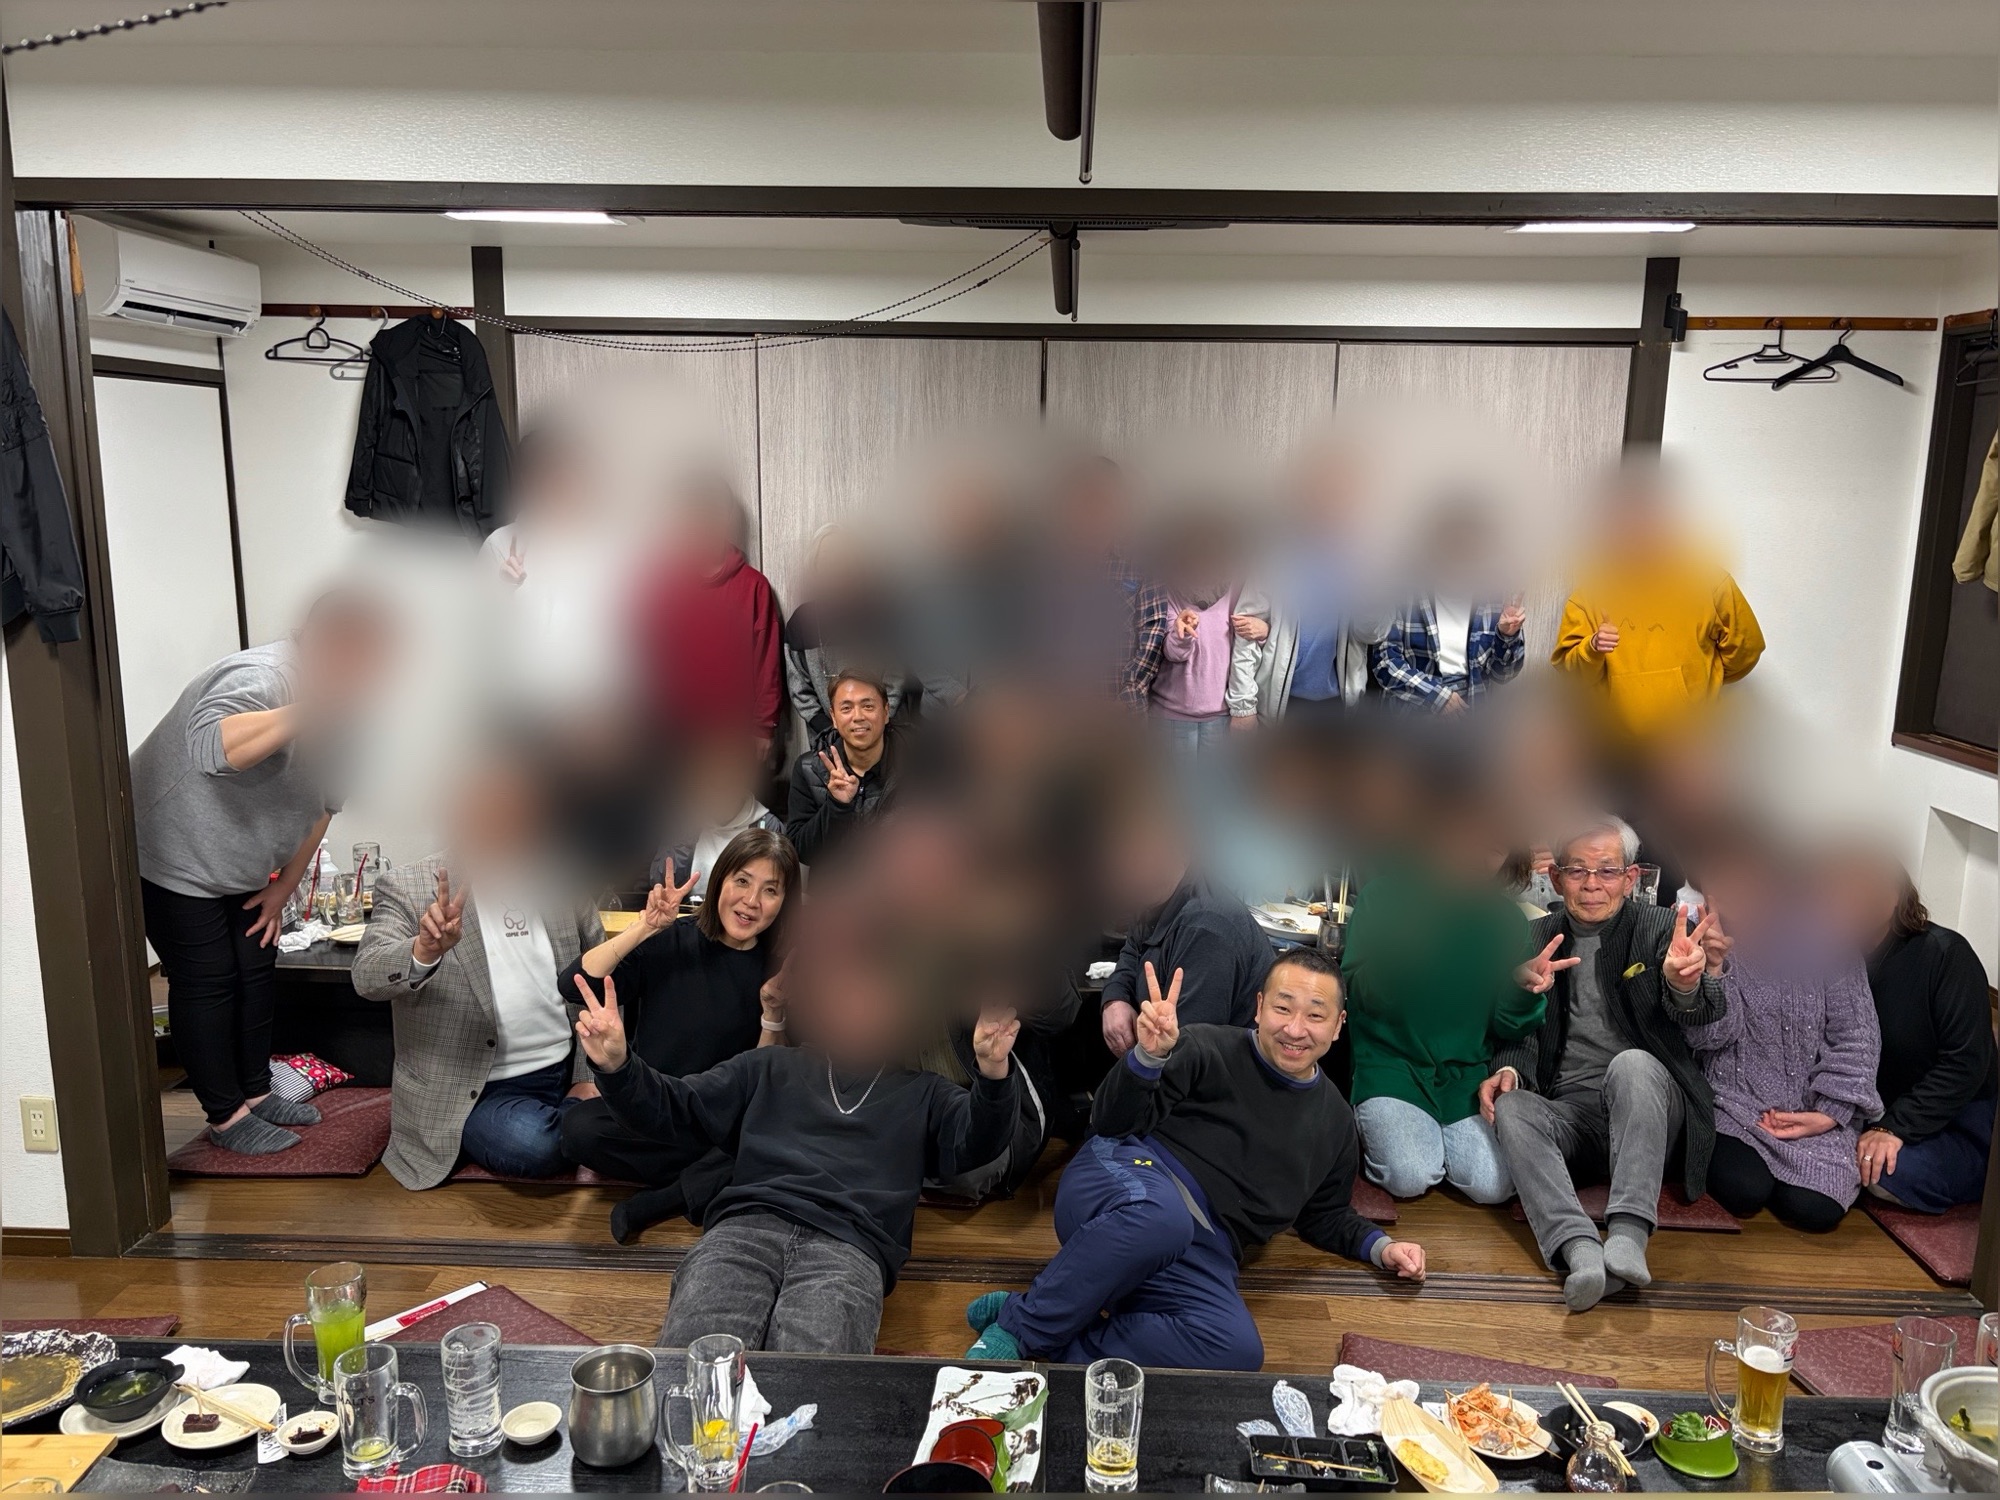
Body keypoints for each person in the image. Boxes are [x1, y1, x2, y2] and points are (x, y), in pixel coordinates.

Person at [963, 953, 1426, 1370]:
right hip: (1126, 1177)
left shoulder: (1336, 1120)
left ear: (1339, 1025)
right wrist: (1147, 1057)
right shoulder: (1206, 1047)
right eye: (1283, 1008)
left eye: (1315, 1015)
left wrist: (1381, 1248)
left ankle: (1052, 1316)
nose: (1295, 1028)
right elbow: (1109, 1122)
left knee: (1236, 1348)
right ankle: (1021, 1329)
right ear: (1259, 1007)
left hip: (1206, 1248)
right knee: (1161, 1218)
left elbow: (1324, 1215)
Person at [569, 958, 1021, 1355]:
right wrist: (618, 1066)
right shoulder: (769, 1065)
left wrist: (993, 1074)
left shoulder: (927, 1093)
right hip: (745, 1227)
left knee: (815, 1382)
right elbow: (676, 1108)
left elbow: (977, 1143)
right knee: (698, 1363)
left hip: (850, 1246)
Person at [132, 589, 390, 1154]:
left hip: (244, 863)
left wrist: (285, 887)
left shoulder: (352, 711)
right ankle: (225, 1117)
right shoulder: (265, 676)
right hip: (172, 853)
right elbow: (211, 749)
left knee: (254, 968)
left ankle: (255, 1091)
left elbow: (326, 805)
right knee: (208, 980)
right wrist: (316, 706)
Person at [1482, 816, 1729, 1312]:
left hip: (1647, 1112)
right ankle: (1579, 1251)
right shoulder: (1534, 936)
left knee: (1632, 1065)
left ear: (1631, 878)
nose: (1592, 884)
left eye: (1607, 871)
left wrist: (1684, 983)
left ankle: (1628, 1237)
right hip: (1570, 1113)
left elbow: (1703, 1011)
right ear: (1556, 879)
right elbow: (1517, 1031)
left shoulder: (1659, 927)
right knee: (1511, 1106)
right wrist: (1511, 1069)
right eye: (1577, 870)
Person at [352, 758, 605, 1188]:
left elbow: (596, 980)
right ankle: (576, 1127)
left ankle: (579, 1120)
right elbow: (367, 975)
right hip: (474, 1088)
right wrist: (423, 950)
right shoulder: (411, 886)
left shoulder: (560, 880)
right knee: (534, 1146)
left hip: (561, 1069)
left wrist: (585, 1075)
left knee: (655, 1106)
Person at [560, 828, 798, 1242]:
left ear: (783, 903)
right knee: (579, 1129)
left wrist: (773, 1015)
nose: (751, 901)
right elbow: (573, 985)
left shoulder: (781, 969)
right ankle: (709, 1181)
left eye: (770, 890)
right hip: (655, 1108)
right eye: (742, 881)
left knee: (776, 1136)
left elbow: (767, 1081)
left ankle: (664, 1199)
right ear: (720, 880)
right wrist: (644, 929)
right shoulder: (672, 938)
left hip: (722, 1122)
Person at [1684, 847, 1880, 1233]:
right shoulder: (1696, 932)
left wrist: (1829, 1112)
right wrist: (1714, 970)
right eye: (1717, 878)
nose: (1728, 889)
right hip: (1733, 1105)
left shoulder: (1827, 938)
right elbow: (1707, 1040)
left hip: (1812, 1108)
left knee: (1816, 1210)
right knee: (1743, 1191)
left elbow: (1857, 1035)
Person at [1342, 844, 1545, 1204]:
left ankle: (1435, 1144)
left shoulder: (1507, 920)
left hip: (1466, 1078)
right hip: (1390, 1065)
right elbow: (1359, 996)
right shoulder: (1383, 897)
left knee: (1494, 1187)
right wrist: (1401, 957)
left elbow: (1509, 1028)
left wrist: (1521, 991)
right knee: (1409, 1176)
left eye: (1497, 845)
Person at [1825, 851, 1994, 1214]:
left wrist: (1894, 1128)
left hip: (1955, 1120)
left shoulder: (1946, 955)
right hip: (1871, 1112)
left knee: (1881, 1171)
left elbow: (1965, 1063)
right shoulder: (1831, 956)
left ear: (1895, 894)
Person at [1551, 470, 1765, 740]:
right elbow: (1571, 674)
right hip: (1614, 744)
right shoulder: (1588, 597)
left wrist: (1696, 687)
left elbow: (1745, 651)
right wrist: (1592, 649)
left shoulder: (1711, 583)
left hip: (1690, 746)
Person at [1097, 794, 1269, 1058]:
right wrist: (1115, 998)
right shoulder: (1153, 891)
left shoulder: (1206, 928)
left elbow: (1186, 1054)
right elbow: (1133, 950)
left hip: (1216, 1073)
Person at [636, 473, 785, 761]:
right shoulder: (662, 584)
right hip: (672, 731)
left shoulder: (754, 586)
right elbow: (645, 656)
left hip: (732, 732)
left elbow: (767, 664)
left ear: (725, 519)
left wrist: (764, 727)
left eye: (711, 514)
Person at [782, 522, 907, 741]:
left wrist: (876, 721)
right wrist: (827, 728)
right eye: (827, 558)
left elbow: (895, 676)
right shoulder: (802, 622)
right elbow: (798, 687)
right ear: (815, 565)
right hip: (826, 740)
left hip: (880, 738)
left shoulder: (882, 616)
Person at [785, 671, 899, 865]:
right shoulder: (809, 769)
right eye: (846, 708)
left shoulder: (913, 767)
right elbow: (801, 852)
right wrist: (837, 806)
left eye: (868, 706)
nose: (858, 717)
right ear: (834, 718)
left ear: (886, 712)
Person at [648, 736, 783, 897]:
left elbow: (775, 888)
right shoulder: (685, 822)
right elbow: (660, 882)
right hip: (688, 909)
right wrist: (688, 835)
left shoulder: (766, 825)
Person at [1370, 595, 1527, 712]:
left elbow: (1503, 675)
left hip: (1471, 713)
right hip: (1413, 709)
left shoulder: (1494, 598)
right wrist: (1436, 696)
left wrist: (1506, 637)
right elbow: (1385, 661)